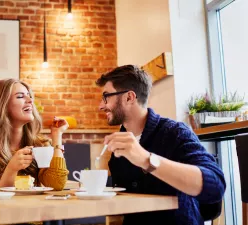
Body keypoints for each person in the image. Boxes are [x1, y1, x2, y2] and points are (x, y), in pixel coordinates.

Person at [96, 65, 225, 225]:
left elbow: (216, 186)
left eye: (106, 97)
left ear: (129, 97)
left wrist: (147, 160)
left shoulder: (174, 133)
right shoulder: (119, 147)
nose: (101, 106)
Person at [0, 78, 69, 225]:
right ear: (2, 105)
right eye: (21, 96)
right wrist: (11, 169)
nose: (30, 100)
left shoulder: (40, 144)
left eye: (29, 95)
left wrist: (57, 138)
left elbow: (56, 184)